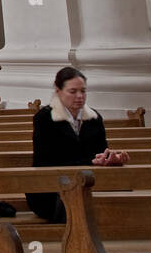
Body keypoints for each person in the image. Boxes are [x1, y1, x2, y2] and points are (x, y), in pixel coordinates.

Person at [26, 67, 129, 222]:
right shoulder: (44, 119)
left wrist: (110, 159)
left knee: (123, 195)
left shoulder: (94, 118)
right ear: (58, 91)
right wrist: (92, 162)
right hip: (53, 188)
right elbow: (46, 161)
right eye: (73, 91)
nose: (80, 96)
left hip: (90, 183)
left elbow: (100, 152)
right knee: (79, 207)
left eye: (83, 91)